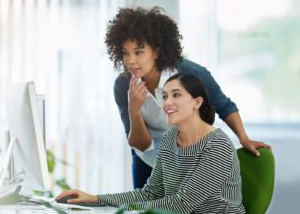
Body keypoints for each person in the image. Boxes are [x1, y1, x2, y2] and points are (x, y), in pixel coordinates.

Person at [105, 6, 271, 188]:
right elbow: (141, 144)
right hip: (149, 159)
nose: (130, 60)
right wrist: (134, 110)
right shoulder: (123, 86)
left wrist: (243, 138)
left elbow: (225, 106)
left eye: (138, 52)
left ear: (156, 52)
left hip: (190, 154)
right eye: (125, 52)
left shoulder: (192, 74)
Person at [56, 73, 246, 213]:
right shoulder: (170, 138)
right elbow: (150, 194)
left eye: (176, 95)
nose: (167, 103)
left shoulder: (217, 145)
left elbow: (182, 204)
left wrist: (124, 211)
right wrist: (94, 199)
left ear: (197, 102)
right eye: (165, 96)